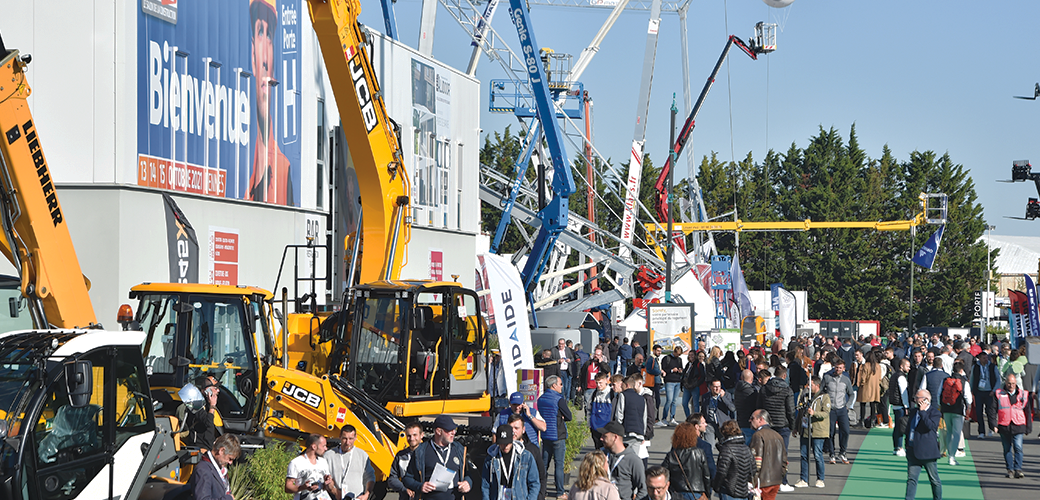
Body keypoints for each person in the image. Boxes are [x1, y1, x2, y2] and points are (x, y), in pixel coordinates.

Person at [248, 0, 293, 205]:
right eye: (260, 32)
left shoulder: (284, 170)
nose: (265, 58)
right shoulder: (242, 170)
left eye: (270, 35)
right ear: (252, 55)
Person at [402, 416, 473, 500]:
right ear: (438, 431)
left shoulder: (459, 449)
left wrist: (468, 483)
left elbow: (467, 474)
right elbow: (407, 478)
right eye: (449, 430)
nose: (453, 432)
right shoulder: (421, 451)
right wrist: (420, 486)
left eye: (454, 430)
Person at [987, 373, 1034, 478]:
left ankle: (1018, 469)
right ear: (1005, 382)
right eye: (1009, 383)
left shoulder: (1023, 394)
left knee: (1018, 447)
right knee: (1007, 449)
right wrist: (993, 425)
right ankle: (1010, 469)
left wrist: (1028, 428)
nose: (1011, 385)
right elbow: (992, 410)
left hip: (1019, 425)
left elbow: (1028, 412)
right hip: (1004, 425)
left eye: (1013, 383)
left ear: (1016, 383)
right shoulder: (999, 394)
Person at [757, 366, 795, 491]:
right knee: (783, 454)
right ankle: (782, 481)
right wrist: (793, 426)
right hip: (783, 425)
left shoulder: (764, 389)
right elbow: (790, 410)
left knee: (767, 453)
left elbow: (760, 407)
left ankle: (768, 481)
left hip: (768, 425)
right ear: (784, 376)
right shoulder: (787, 390)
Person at [482, 425, 540, 500]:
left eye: (507, 443)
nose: (505, 446)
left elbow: (534, 483)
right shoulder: (490, 459)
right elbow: (485, 485)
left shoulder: (526, 456)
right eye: (502, 443)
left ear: (512, 440)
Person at [538, 375, 572, 498]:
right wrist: (562, 416)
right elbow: (569, 416)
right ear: (554, 386)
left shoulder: (541, 399)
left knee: (544, 464)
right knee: (559, 464)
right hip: (558, 434)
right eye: (560, 384)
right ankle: (560, 492)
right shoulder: (558, 399)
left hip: (545, 434)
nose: (562, 387)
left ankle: (542, 490)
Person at [904, 390, 942, 500]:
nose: (915, 399)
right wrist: (907, 444)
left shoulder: (934, 413)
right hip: (912, 450)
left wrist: (923, 412)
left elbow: (930, 427)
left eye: (917, 397)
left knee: (934, 480)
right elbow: (909, 428)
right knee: (911, 479)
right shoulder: (913, 411)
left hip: (928, 453)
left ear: (925, 399)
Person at [794, 376, 829, 489]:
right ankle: (804, 478)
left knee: (818, 455)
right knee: (804, 455)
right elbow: (800, 412)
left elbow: (826, 413)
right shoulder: (804, 396)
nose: (808, 387)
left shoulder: (824, 397)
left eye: (811, 385)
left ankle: (820, 479)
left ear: (817, 385)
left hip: (818, 430)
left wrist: (815, 413)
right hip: (805, 429)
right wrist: (796, 427)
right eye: (808, 385)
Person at [597, 421, 647, 500]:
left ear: (615, 437)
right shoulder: (601, 455)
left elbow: (643, 489)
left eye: (605, 436)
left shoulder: (633, 460)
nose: (601, 438)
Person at [661, 423, 711, 500]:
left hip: (677, 493)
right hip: (696, 492)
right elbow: (706, 475)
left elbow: (663, 474)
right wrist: (707, 493)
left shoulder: (672, 455)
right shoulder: (700, 453)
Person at [327, 425, 375, 500]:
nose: (347, 442)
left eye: (351, 439)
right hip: (335, 497)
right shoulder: (329, 455)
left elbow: (370, 477)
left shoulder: (362, 455)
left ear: (355, 438)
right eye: (344, 439)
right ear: (340, 437)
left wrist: (366, 495)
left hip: (356, 497)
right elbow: (324, 479)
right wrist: (335, 491)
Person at [939, 360, 972, 465]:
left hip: (946, 408)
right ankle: (952, 456)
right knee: (956, 433)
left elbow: (938, 394)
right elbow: (968, 398)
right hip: (958, 409)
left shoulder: (945, 380)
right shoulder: (964, 382)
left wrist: (941, 406)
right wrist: (968, 408)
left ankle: (949, 453)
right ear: (961, 370)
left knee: (948, 431)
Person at [748, 410, 787, 500]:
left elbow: (756, 461)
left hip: (762, 482)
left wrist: (753, 481)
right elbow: (784, 461)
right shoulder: (778, 435)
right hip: (776, 481)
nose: (750, 420)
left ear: (760, 419)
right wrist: (780, 476)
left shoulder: (758, 435)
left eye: (752, 418)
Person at [190, 434, 241, 500]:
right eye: (230, 458)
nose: (230, 463)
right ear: (221, 451)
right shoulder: (203, 470)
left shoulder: (219, 469)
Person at [822, 358, 853, 464]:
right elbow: (821, 391)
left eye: (840, 368)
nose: (838, 369)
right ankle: (832, 454)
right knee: (830, 433)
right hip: (830, 410)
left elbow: (851, 393)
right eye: (836, 367)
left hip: (842, 409)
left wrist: (848, 405)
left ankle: (842, 452)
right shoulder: (827, 378)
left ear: (844, 369)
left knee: (846, 431)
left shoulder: (845, 379)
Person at [712, 420, 753, 500]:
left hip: (728, 490)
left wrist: (716, 486)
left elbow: (722, 471)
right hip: (743, 490)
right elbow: (753, 469)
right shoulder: (746, 448)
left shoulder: (727, 449)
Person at [509, 414, 548, 500]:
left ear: (523, 430)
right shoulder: (503, 450)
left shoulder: (532, 450)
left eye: (516, 428)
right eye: (510, 428)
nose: (513, 431)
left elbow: (542, 476)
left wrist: (540, 496)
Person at [286, 434, 336, 500]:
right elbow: (287, 487)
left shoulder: (323, 461)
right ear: (314, 446)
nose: (326, 448)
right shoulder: (296, 462)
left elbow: (329, 486)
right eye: (323, 446)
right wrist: (303, 487)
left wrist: (328, 482)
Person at [388, 423, 425, 500]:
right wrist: (404, 489)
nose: (412, 438)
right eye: (409, 436)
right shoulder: (400, 455)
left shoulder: (428, 453)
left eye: (415, 435)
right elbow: (392, 478)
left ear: (422, 435)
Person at [971, 351, 1000, 439]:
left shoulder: (992, 367)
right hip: (979, 391)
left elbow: (998, 379)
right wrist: (972, 390)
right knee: (979, 412)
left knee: (990, 411)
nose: (986, 359)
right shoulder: (975, 367)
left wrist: (994, 390)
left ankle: (991, 428)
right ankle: (981, 431)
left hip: (990, 392)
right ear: (979, 358)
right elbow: (972, 378)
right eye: (984, 358)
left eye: (987, 358)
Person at [615, 374, 649, 448]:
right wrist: (643, 433)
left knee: (625, 456)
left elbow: (619, 414)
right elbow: (644, 417)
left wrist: (618, 430)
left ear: (627, 385)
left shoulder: (623, 395)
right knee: (634, 457)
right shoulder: (642, 399)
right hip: (639, 432)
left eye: (622, 385)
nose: (621, 387)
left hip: (627, 432)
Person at [699, 379, 735, 448]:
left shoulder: (727, 395)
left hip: (722, 425)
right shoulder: (706, 397)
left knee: (725, 447)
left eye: (719, 386)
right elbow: (703, 411)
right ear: (710, 387)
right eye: (715, 387)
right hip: (710, 424)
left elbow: (732, 408)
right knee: (708, 446)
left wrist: (723, 397)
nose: (717, 388)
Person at [889, 358, 911, 457]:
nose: (909, 368)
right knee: (901, 427)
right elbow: (904, 393)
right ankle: (899, 447)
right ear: (901, 366)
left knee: (898, 426)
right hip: (900, 405)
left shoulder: (894, 375)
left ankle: (896, 447)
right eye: (907, 366)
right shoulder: (901, 377)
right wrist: (906, 406)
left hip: (895, 404)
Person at [686, 414, 716, 480]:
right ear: (697, 426)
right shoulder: (705, 446)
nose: (706, 424)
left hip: (680, 485)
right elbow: (711, 468)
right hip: (700, 484)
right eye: (703, 423)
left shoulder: (678, 444)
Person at [733, 369, 759, 445]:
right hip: (749, 421)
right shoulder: (751, 391)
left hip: (740, 420)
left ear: (741, 377)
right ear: (752, 378)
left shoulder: (737, 389)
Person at [662, 346, 685, 426]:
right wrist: (672, 370)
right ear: (674, 352)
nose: (678, 356)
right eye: (677, 354)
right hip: (669, 381)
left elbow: (681, 368)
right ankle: (664, 418)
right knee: (669, 400)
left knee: (674, 401)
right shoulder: (667, 358)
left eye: (679, 355)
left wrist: (680, 370)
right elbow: (663, 369)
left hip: (677, 381)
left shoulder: (679, 360)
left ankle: (672, 418)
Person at [588, 373, 614, 444]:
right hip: (595, 427)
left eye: (600, 383)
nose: (598, 385)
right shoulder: (594, 393)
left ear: (606, 381)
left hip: (607, 428)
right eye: (597, 383)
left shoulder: (612, 393)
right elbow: (589, 409)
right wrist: (589, 424)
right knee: (598, 450)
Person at [681, 350, 706, 418]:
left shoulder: (698, 364)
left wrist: (697, 384)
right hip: (687, 386)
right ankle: (688, 418)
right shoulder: (687, 364)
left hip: (694, 386)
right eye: (689, 355)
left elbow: (703, 376)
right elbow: (685, 374)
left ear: (695, 356)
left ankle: (696, 419)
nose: (691, 356)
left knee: (696, 404)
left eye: (692, 355)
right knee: (684, 403)